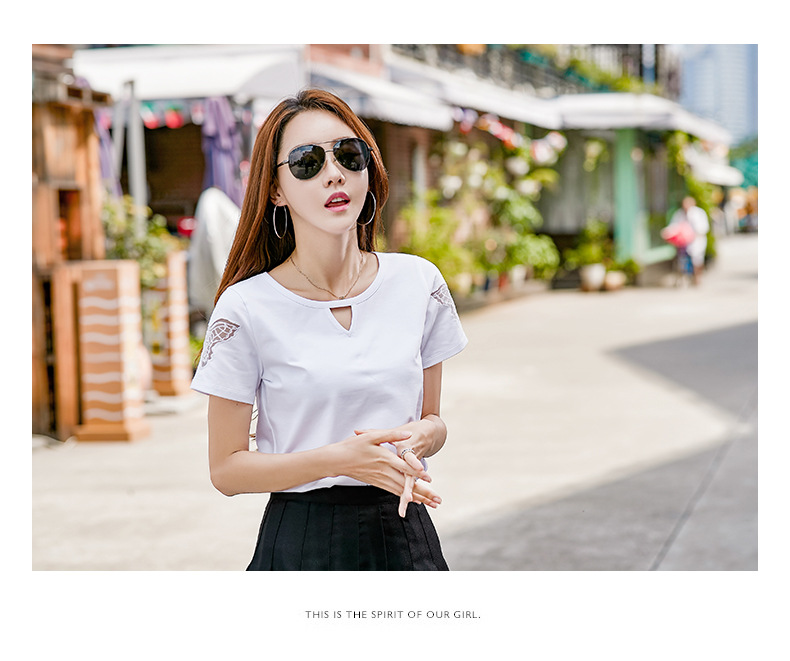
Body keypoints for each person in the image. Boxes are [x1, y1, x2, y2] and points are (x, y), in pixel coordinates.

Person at [190, 89, 468, 571]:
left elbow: (433, 420)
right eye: (307, 162)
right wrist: (341, 459)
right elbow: (226, 469)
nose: (334, 173)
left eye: (348, 155)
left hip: (405, 535)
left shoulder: (418, 282)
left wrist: (423, 436)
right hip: (300, 542)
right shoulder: (246, 307)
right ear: (275, 190)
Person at [669, 196, 710, 286]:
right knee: (682, 260)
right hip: (683, 243)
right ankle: (684, 278)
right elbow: (673, 226)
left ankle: (697, 278)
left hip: (696, 241)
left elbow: (703, 228)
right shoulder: (679, 214)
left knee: (697, 260)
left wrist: (691, 234)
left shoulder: (699, 213)